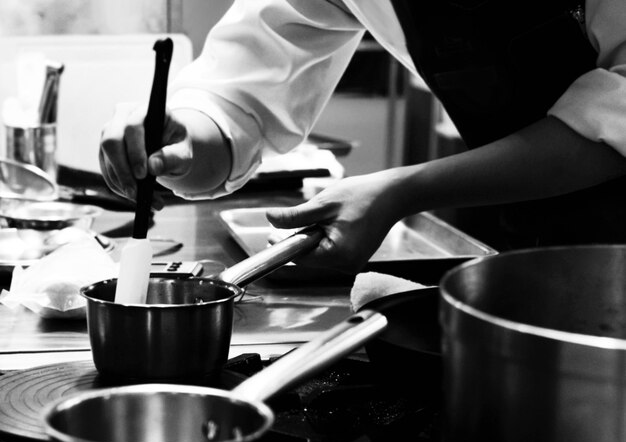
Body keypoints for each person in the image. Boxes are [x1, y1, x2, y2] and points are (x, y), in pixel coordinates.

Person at [100, 0, 626, 274]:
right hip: (529, 247)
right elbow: (240, 96)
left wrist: (402, 189)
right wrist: (186, 138)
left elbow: (615, 119)